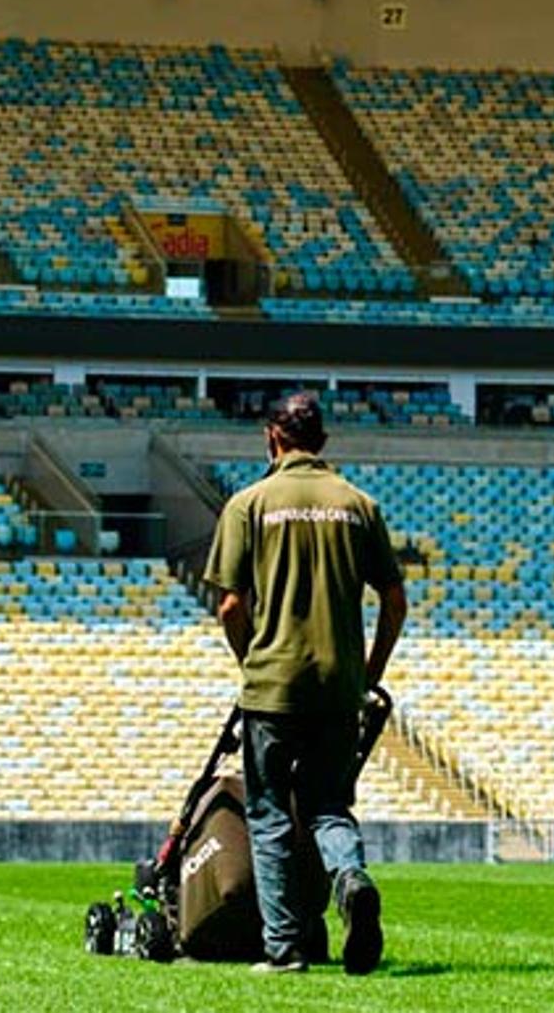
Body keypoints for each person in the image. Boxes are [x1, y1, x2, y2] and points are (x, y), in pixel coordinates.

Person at [203, 392, 408, 976]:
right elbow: (394, 601)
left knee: (268, 815)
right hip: (339, 687)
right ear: (321, 441)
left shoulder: (250, 504)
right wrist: (370, 672)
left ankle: (284, 948)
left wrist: (253, 662)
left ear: (273, 437)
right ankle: (350, 879)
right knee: (328, 806)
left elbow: (230, 607)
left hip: (274, 685)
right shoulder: (358, 505)